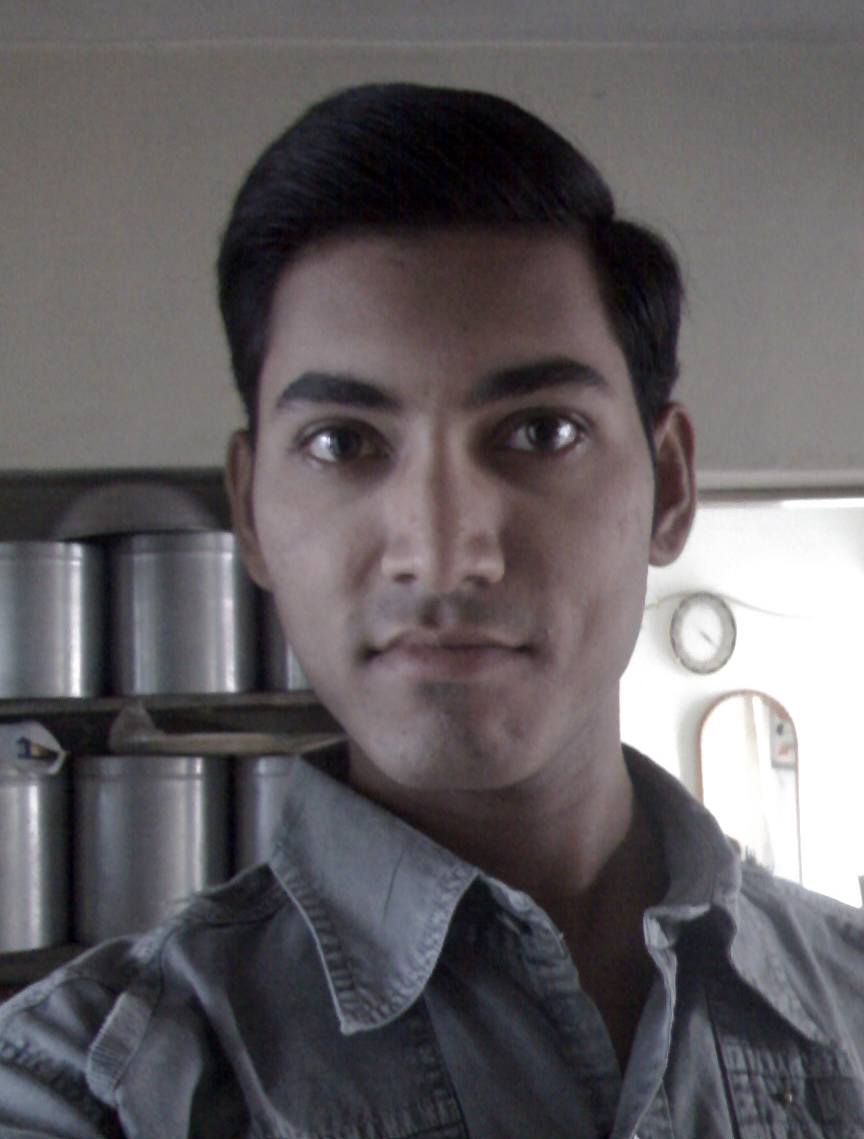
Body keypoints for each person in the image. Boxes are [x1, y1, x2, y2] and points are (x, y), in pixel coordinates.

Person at [2, 82, 864, 1139]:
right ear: (252, 513)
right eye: (343, 443)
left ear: (671, 486)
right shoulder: (86, 1088)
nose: (446, 552)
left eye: (541, 433)